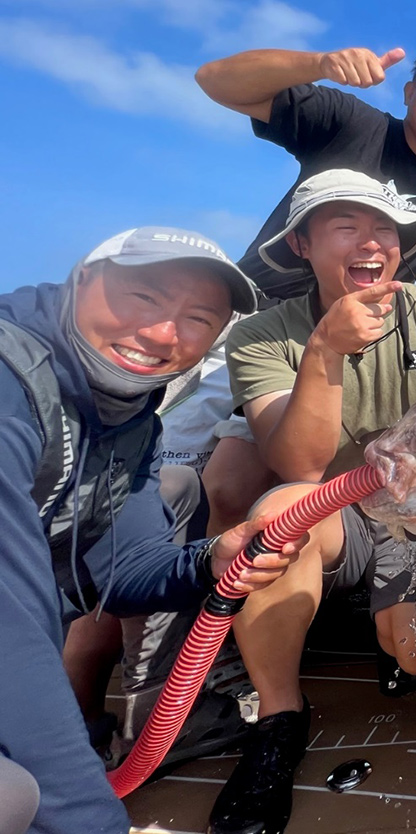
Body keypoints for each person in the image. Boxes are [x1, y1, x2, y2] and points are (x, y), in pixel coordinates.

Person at [208, 171, 416, 834]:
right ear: (302, 244)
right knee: (278, 511)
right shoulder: (262, 333)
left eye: (385, 229)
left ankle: (379, 622)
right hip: (333, 515)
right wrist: (324, 351)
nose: (372, 241)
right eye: (347, 225)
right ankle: (279, 721)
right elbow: (300, 466)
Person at [0, 227, 301, 834]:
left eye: (198, 317)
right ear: (81, 279)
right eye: (144, 297)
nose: (166, 334)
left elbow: (125, 566)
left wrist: (212, 558)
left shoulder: (129, 415)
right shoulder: (11, 381)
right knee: (18, 798)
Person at [196, 30, 416, 299]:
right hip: (258, 305)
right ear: (409, 93)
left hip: (356, 328)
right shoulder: (351, 122)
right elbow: (214, 79)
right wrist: (320, 63)